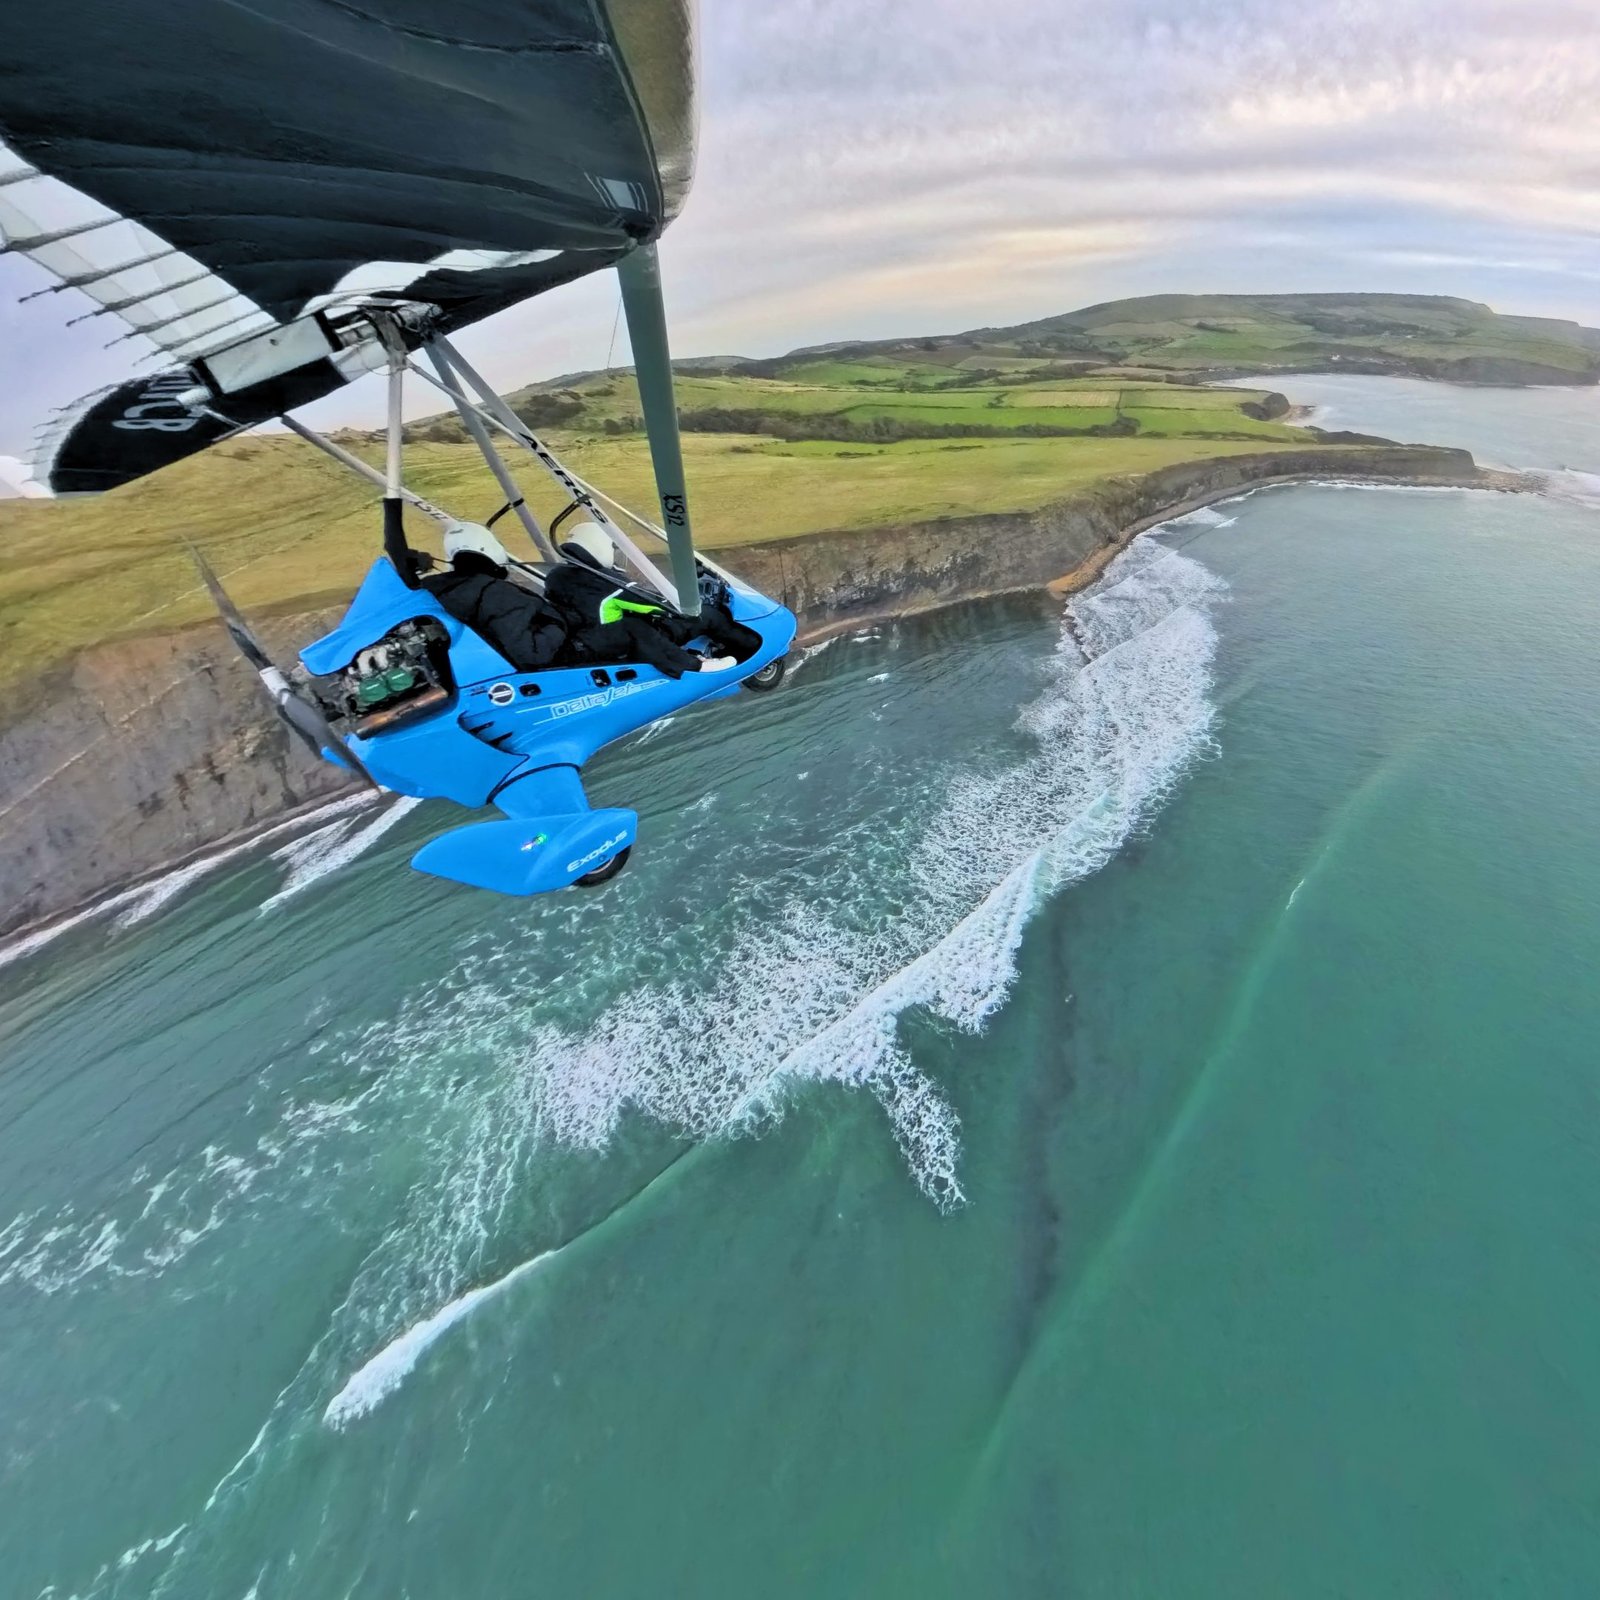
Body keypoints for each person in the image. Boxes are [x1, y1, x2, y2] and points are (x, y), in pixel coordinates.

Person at [388, 516, 724, 680]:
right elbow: (532, 651)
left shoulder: (440, 587)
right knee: (630, 629)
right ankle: (694, 667)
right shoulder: (491, 591)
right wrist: (559, 626)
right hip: (548, 658)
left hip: (502, 660)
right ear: (489, 550)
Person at [545, 521, 761, 666]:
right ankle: (747, 654)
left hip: (592, 641)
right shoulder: (602, 579)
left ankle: (700, 653)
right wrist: (680, 605)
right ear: (599, 546)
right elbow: (651, 604)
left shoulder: (557, 575)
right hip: (627, 640)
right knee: (708, 616)